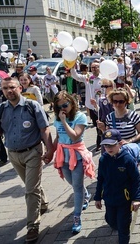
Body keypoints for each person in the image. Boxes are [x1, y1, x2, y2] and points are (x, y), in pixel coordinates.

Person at [0, 77, 54, 242]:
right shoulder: (1, 108)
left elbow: (44, 128)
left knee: (30, 190)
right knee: (30, 185)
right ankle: (43, 203)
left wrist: (50, 149)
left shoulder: (31, 105)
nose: (9, 91)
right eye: (5, 88)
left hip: (33, 151)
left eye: (12, 87)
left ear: (20, 88)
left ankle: (32, 226)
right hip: (13, 154)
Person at [52, 91, 95, 234]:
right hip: (62, 155)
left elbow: (75, 136)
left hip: (76, 154)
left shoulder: (80, 117)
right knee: (73, 183)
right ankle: (85, 195)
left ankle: (76, 217)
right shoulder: (57, 118)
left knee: (76, 187)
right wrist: (49, 152)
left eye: (65, 105)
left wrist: (64, 122)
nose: (62, 109)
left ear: (72, 102)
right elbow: (58, 137)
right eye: (59, 107)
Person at [94, 129, 140, 244]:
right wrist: (97, 197)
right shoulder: (103, 159)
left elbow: (135, 179)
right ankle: (115, 222)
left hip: (124, 200)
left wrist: (136, 199)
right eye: (106, 145)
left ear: (120, 144)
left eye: (112, 145)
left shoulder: (127, 159)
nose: (109, 148)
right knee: (111, 221)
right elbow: (100, 179)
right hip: (109, 198)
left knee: (123, 227)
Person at [70, 62, 102, 148]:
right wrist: (73, 67)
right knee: (96, 125)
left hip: (100, 106)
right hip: (91, 106)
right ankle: (100, 140)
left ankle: (100, 142)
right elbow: (75, 76)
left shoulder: (103, 78)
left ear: (99, 68)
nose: (94, 69)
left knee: (100, 125)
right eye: (92, 67)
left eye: (96, 67)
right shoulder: (88, 77)